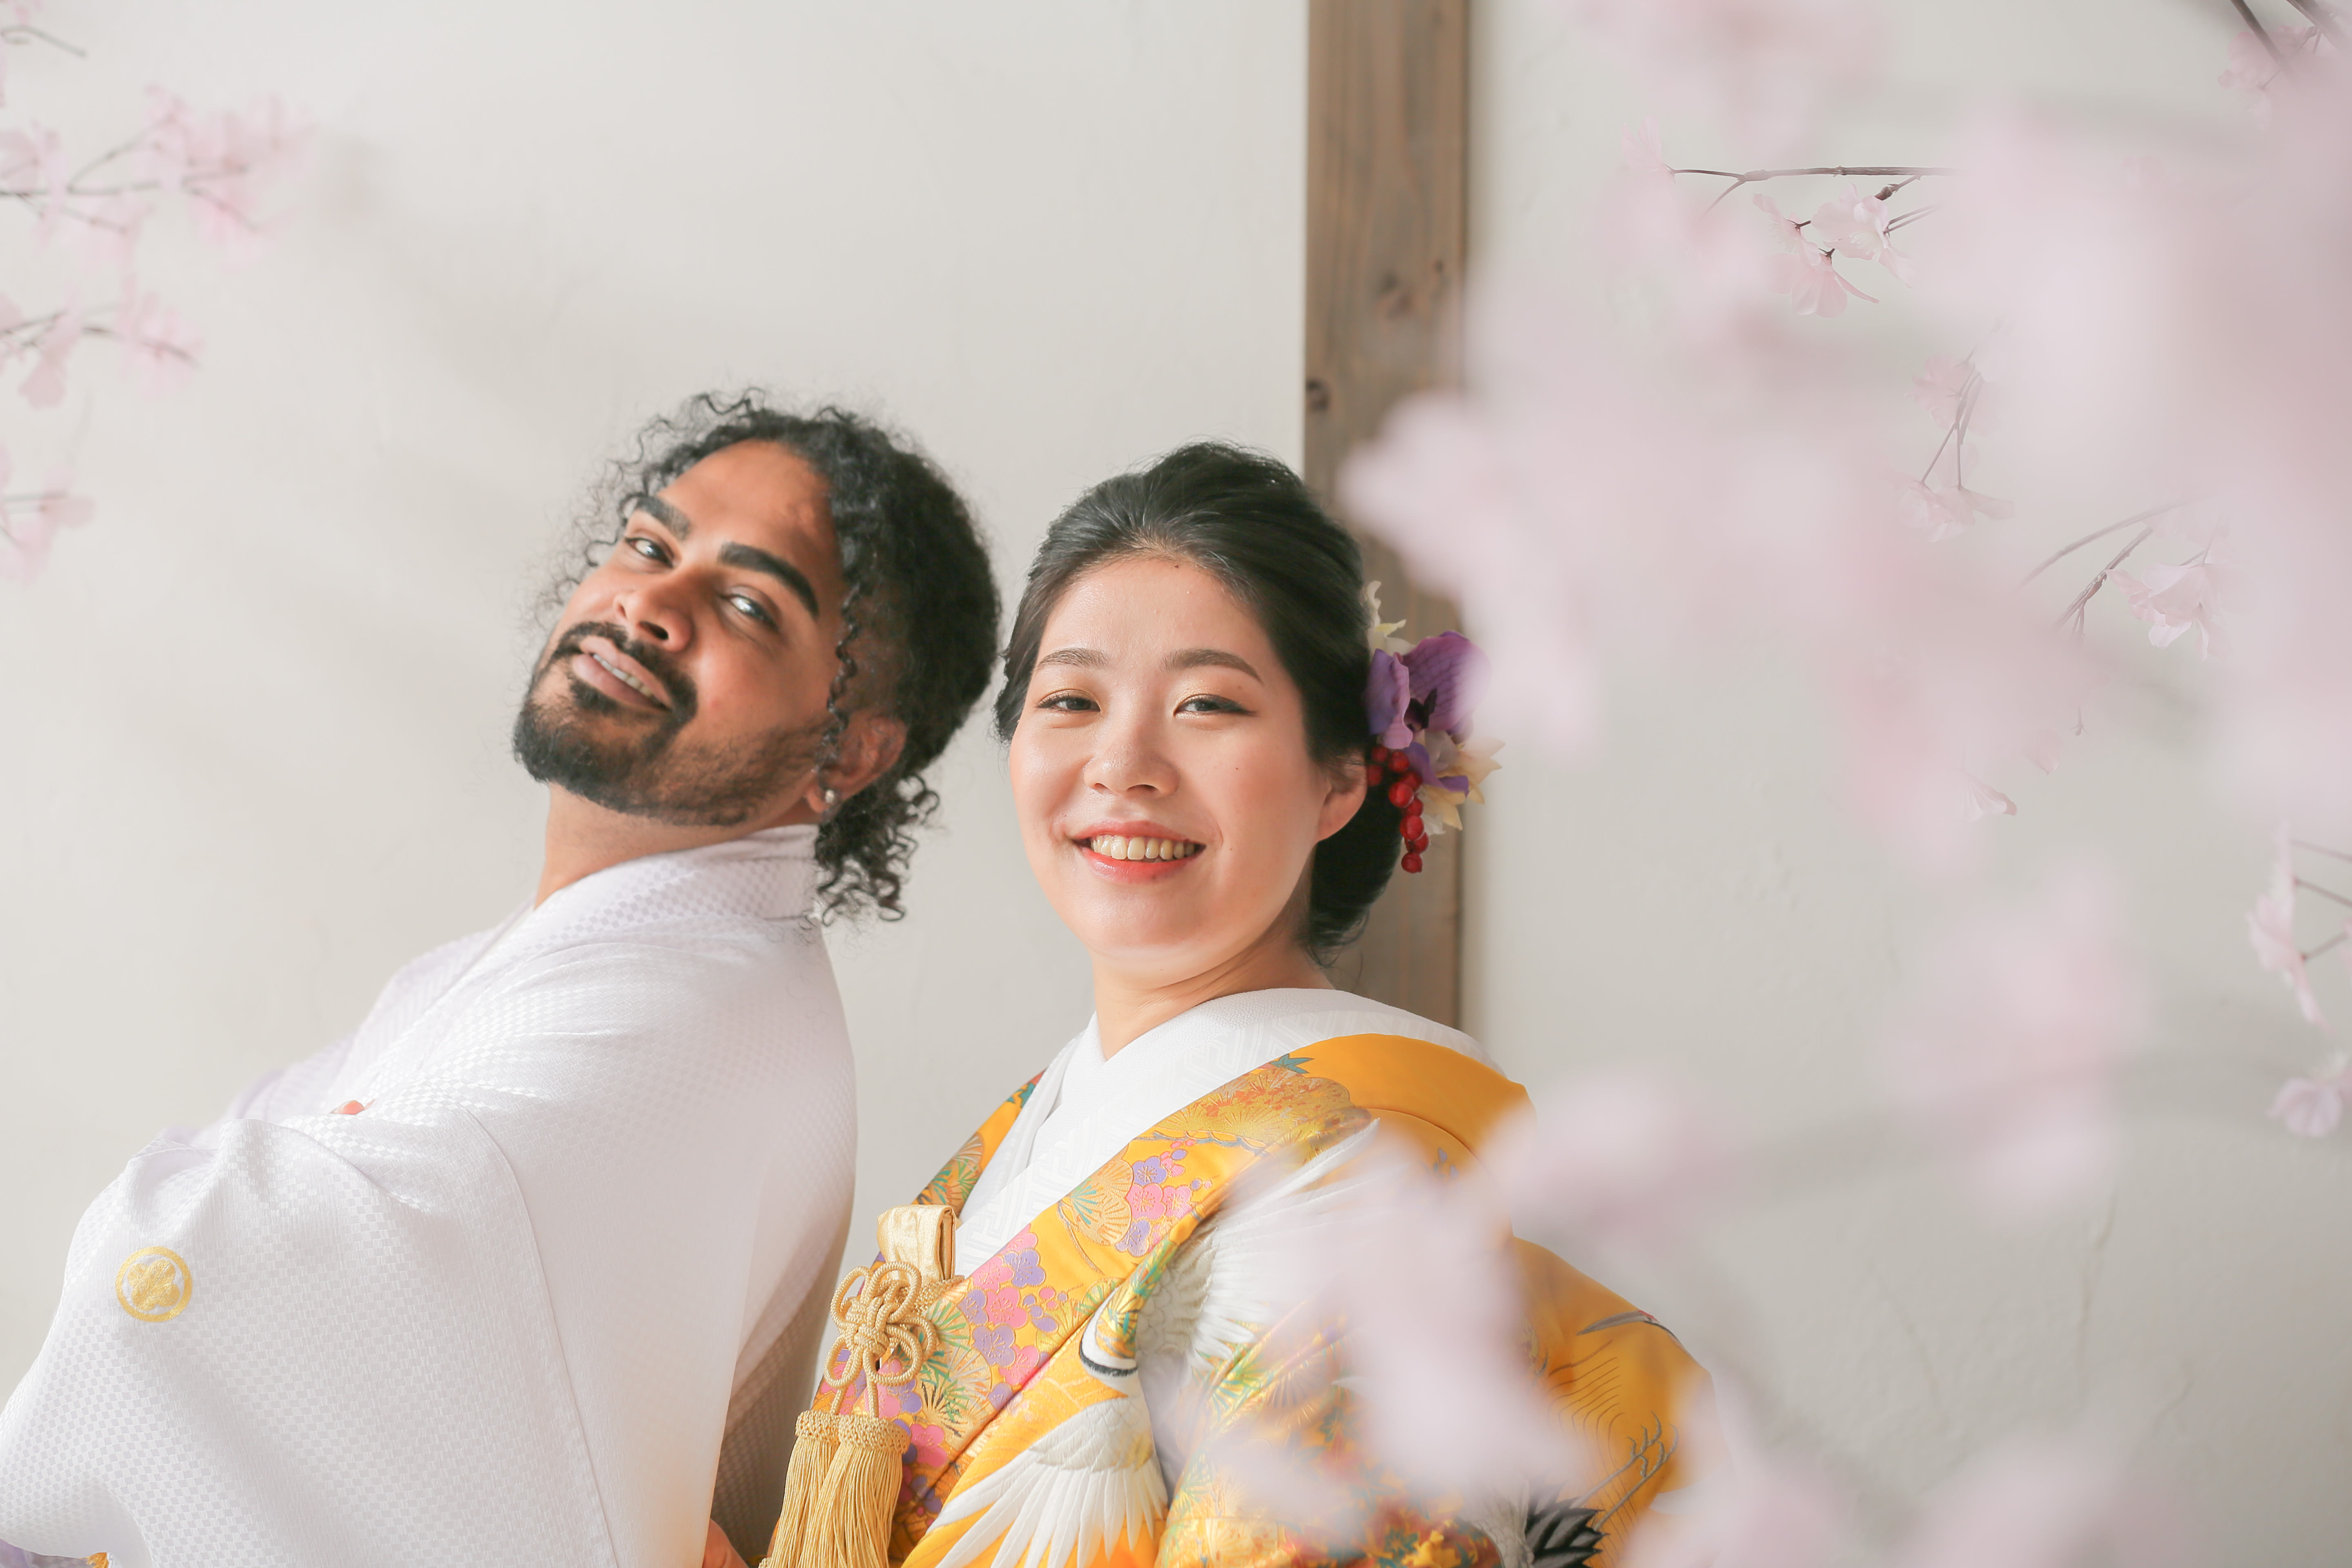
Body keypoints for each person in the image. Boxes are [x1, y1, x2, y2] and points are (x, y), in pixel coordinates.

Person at [0, 394, 1001, 1568]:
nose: (649, 604)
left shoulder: (701, 1027)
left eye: (747, 605)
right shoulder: (609, 956)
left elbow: (203, 1269)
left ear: (851, 749)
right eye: (650, 544)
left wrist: (190, 1189)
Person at [744, 443, 1713, 1568]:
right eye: (1071, 700)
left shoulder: (1358, 1178)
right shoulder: (1053, 1119)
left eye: (1207, 704)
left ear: (1339, 778)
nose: (1123, 763)